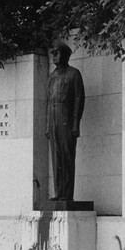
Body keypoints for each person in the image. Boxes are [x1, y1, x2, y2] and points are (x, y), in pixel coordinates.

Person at [45, 41, 85, 201]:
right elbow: (48, 101)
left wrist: (76, 124)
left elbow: (78, 100)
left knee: (67, 156)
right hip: (53, 116)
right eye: (53, 52)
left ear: (65, 55)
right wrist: (48, 124)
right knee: (56, 156)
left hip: (66, 118)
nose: (53, 55)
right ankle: (58, 192)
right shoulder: (52, 76)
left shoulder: (74, 74)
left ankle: (67, 194)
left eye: (57, 52)